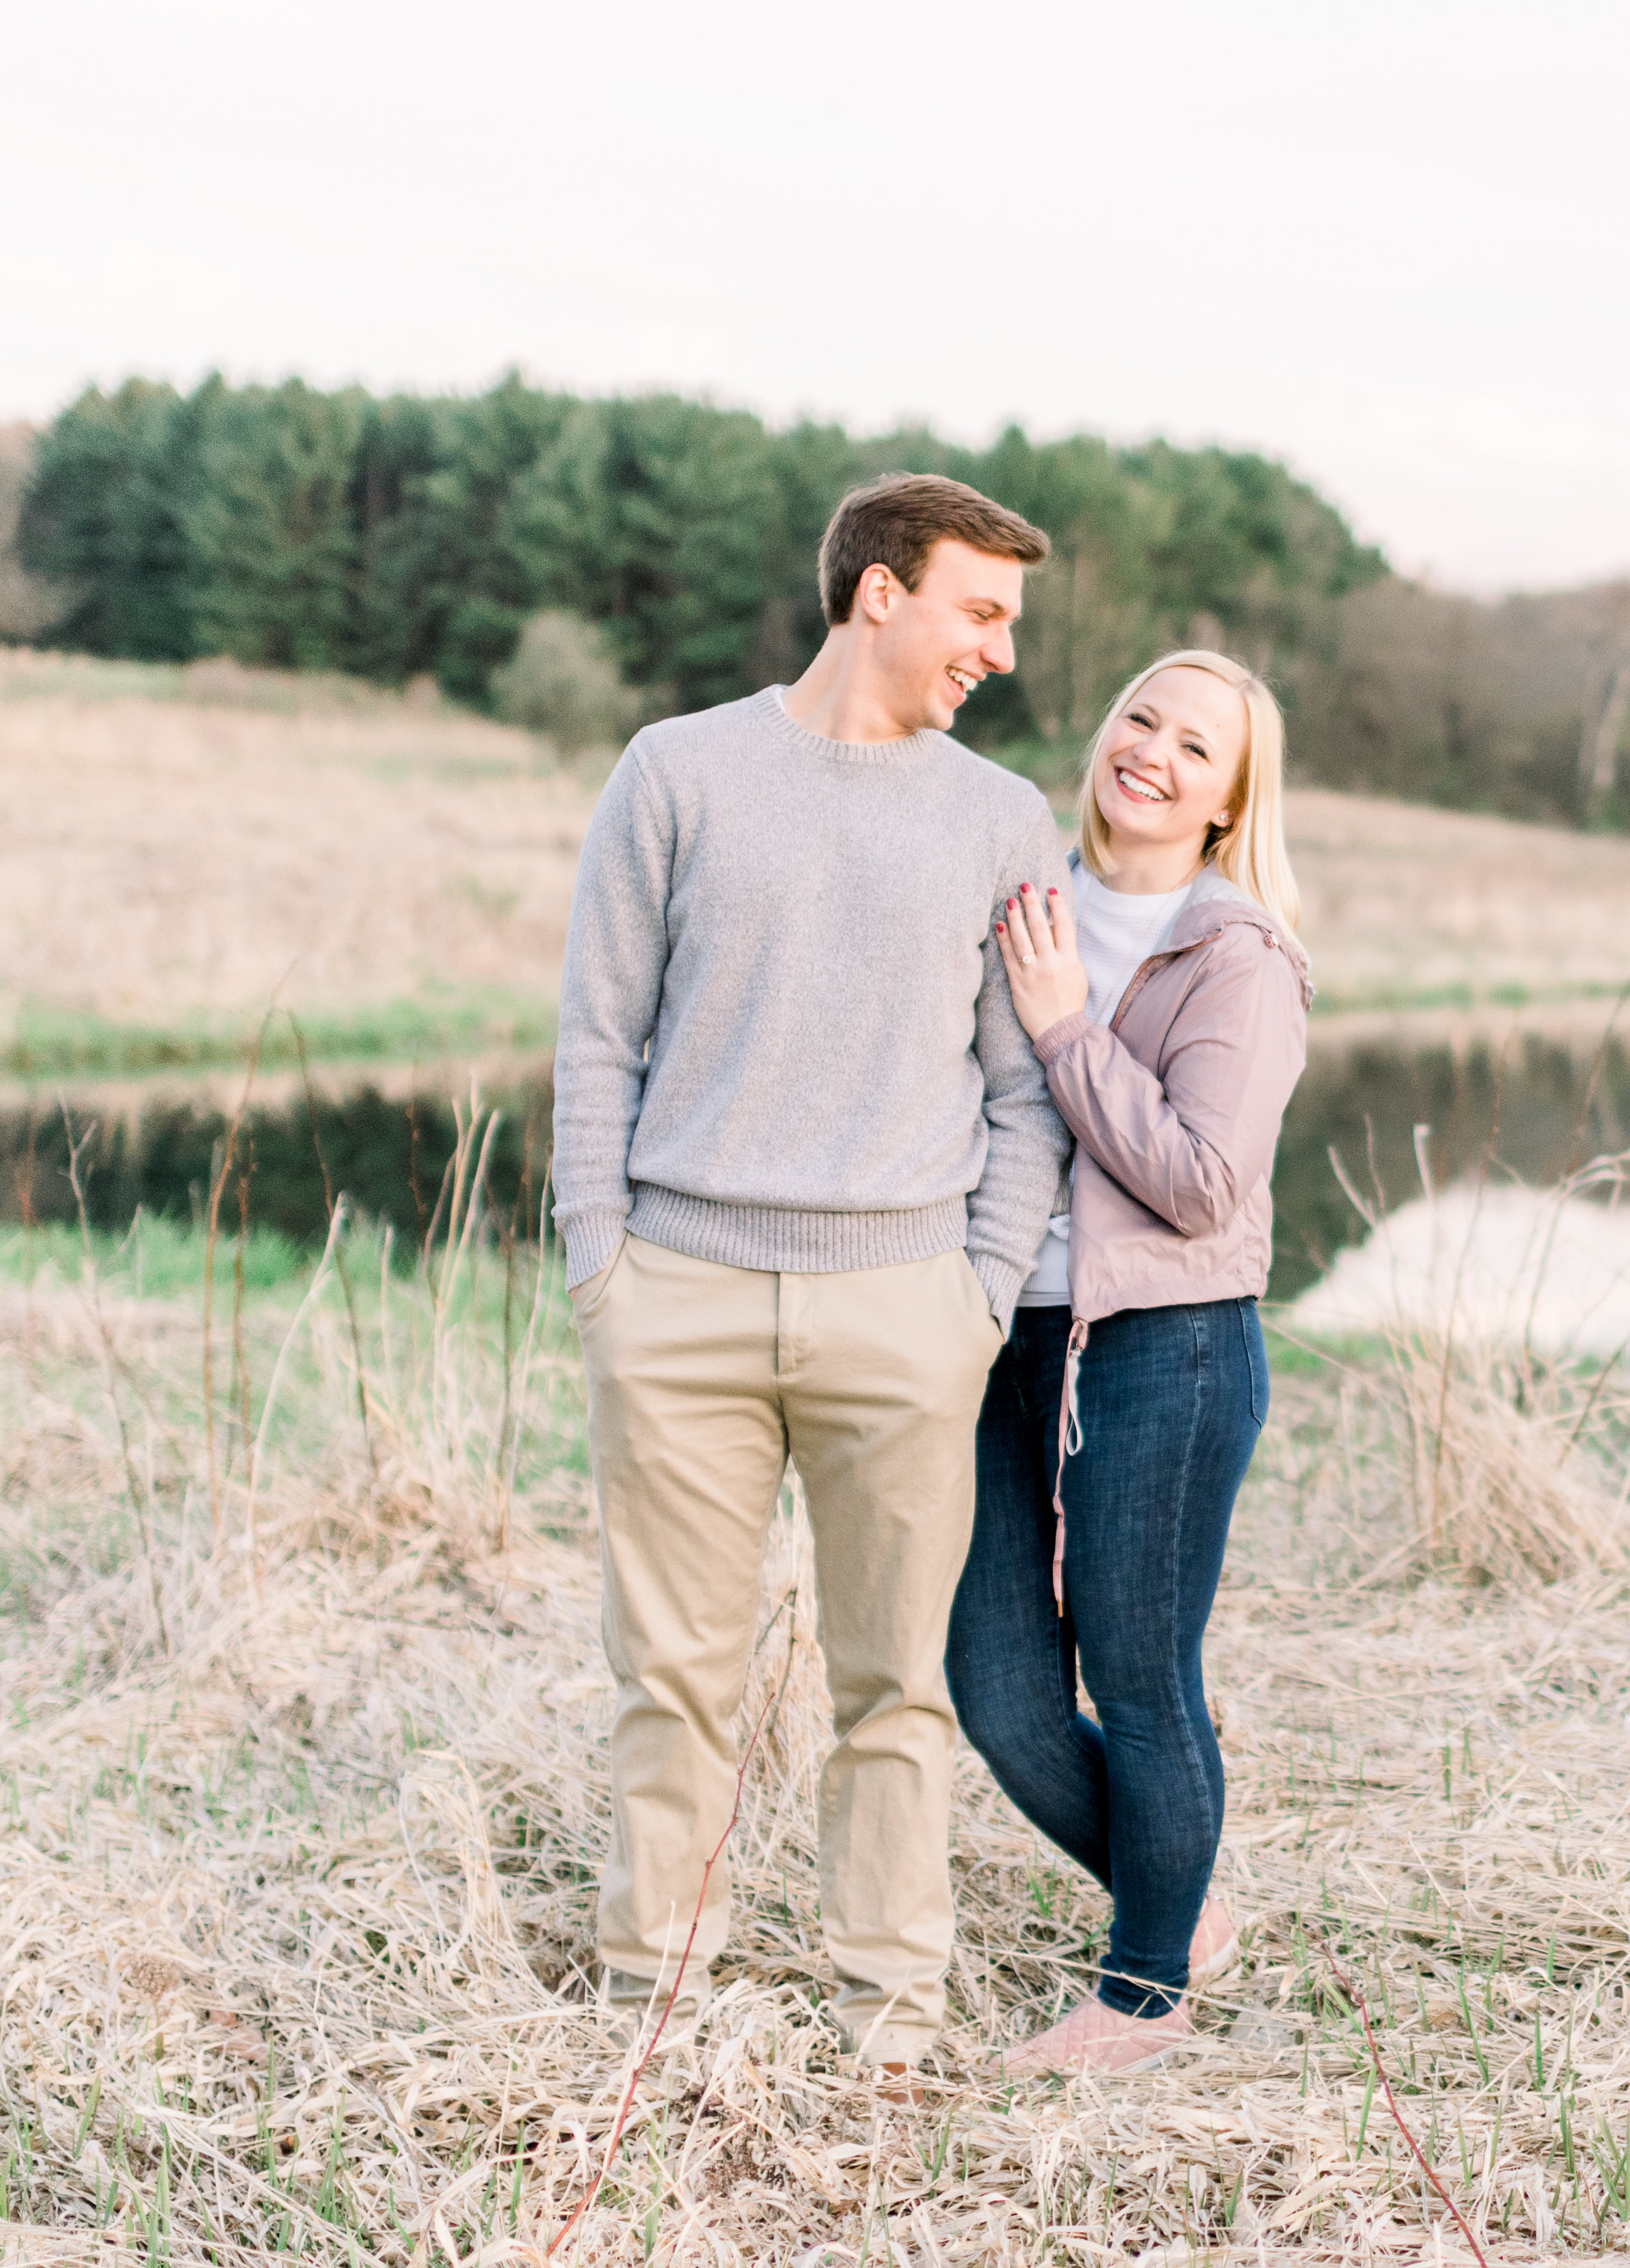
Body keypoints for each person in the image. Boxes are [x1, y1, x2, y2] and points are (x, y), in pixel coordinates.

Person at [553, 473, 1067, 2075]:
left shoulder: (1000, 817)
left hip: (902, 1312)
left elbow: (1022, 1088)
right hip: (680, 1300)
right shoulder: (676, 774)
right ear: (878, 594)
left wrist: (977, 1294)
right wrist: (605, 1270)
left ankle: (890, 2022)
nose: (998, 649)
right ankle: (652, 2010)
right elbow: (596, 1037)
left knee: (891, 1692)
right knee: (674, 1684)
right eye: (980, 610)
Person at [950, 649, 1312, 2075]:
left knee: (1142, 1678)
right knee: (997, 1687)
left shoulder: (1239, 955)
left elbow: (1204, 1179)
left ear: (1229, 801)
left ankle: (1143, 1992)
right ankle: (1187, 1905)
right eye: (1140, 718)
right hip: (997, 1336)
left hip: (1166, 1350)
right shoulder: (1021, 893)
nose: (1152, 751)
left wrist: (1063, 1028)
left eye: (1196, 745)